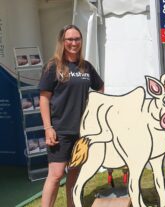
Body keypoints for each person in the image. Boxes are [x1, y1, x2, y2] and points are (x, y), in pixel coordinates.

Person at [39, 25, 104, 207]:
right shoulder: (53, 66)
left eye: (77, 39)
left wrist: (94, 108)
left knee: (75, 171)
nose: (74, 43)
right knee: (56, 173)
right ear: (63, 41)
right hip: (60, 129)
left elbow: (100, 87)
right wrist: (48, 128)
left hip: (82, 131)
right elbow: (44, 99)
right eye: (70, 39)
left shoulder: (86, 67)